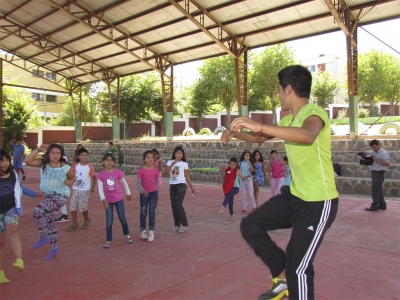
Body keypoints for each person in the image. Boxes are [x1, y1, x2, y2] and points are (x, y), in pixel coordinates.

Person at [221, 65, 339, 300]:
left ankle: (291, 277)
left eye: (278, 91)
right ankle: (282, 276)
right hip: (295, 197)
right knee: (250, 226)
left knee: (299, 266)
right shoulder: (291, 120)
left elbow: (308, 135)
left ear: (288, 89)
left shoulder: (314, 114)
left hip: (318, 203)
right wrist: (233, 134)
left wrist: (260, 125)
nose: (278, 95)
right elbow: (258, 137)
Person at [24, 144, 76, 261]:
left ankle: (44, 236)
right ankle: (54, 249)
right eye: (53, 153)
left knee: (37, 210)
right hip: (48, 197)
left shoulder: (65, 166)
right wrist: (37, 149)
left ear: (61, 155)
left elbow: (73, 177)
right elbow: (27, 160)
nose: (55, 155)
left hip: (59, 196)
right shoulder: (44, 164)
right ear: (48, 153)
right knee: (51, 223)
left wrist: (70, 181)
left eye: (58, 153)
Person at [0, 150, 43, 283]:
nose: (5, 163)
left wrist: (34, 194)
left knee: (13, 229)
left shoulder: (13, 175)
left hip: (10, 209)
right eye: (1, 160)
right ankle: (0, 273)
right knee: (0, 244)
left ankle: (19, 260)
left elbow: (20, 188)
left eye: (7, 160)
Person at [97, 153, 132, 248]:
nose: (109, 162)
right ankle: (108, 240)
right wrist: (103, 200)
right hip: (108, 201)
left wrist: (128, 193)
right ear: (103, 162)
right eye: (107, 160)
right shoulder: (101, 175)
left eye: (111, 160)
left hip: (119, 200)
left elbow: (124, 183)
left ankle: (127, 235)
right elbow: (100, 189)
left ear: (114, 162)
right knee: (109, 221)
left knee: (122, 218)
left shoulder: (118, 172)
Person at [163, 146, 195, 233]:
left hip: (181, 185)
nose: (179, 155)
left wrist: (191, 186)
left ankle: (185, 224)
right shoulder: (170, 162)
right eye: (177, 153)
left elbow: (187, 175)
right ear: (174, 153)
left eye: (181, 153)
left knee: (178, 204)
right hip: (173, 186)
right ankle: (177, 225)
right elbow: (165, 173)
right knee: (173, 206)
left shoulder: (184, 164)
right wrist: (171, 165)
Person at [67, 148, 96, 230]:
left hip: (85, 189)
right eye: (82, 155)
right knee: (73, 206)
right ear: (78, 156)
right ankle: (74, 223)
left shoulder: (89, 166)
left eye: (86, 155)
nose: (84, 157)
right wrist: (69, 181)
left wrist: (93, 186)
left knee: (82, 206)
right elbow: (71, 175)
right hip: (76, 188)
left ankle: (86, 220)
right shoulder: (75, 166)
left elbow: (94, 177)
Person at [136, 150, 159, 242]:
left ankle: (152, 231)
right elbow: (138, 184)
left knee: (152, 212)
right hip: (144, 194)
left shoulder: (155, 170)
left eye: (152, 157)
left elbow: (157, 183)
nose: (150, 159)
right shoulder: (141, 170)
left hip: (153, 193)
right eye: (148, 157)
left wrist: (157, 193)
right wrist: (143, 191)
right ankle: (143, 231)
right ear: (144, 159)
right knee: (143, 212)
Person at [365, 139, 390, 211]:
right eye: (372, 148)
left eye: (375, 147)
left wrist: (377, 160)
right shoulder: (374, 153)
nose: (374, 149)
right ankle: (382, 204)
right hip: (375, 171)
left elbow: (387, 164)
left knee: (375, 190)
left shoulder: (383, 153)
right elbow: (373, 162)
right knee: (378, 189)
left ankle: (375, 205)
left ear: (379, 146)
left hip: (379, 172)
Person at [238, 150, 257, 215]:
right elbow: (238, 171)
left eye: (248, 155)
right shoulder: (240, 162)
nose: (247, 156)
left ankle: (254, 207)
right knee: (243, 195)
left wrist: (249, 163)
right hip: (242, 180)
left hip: (249, 180)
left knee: (251, 194)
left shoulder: (250, 162)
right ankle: (244, 208)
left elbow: (252, 170)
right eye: (246, 155)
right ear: (243, 156)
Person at [152, 148, 163, 213]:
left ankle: (155, 207)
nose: (154, 156)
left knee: (156, 193)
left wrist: (154, 163)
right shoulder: (149, 161)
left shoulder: (159, 161)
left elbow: (159, 169)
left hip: (157, 179)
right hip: (150, 178)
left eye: (155, 155)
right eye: (153, 155)